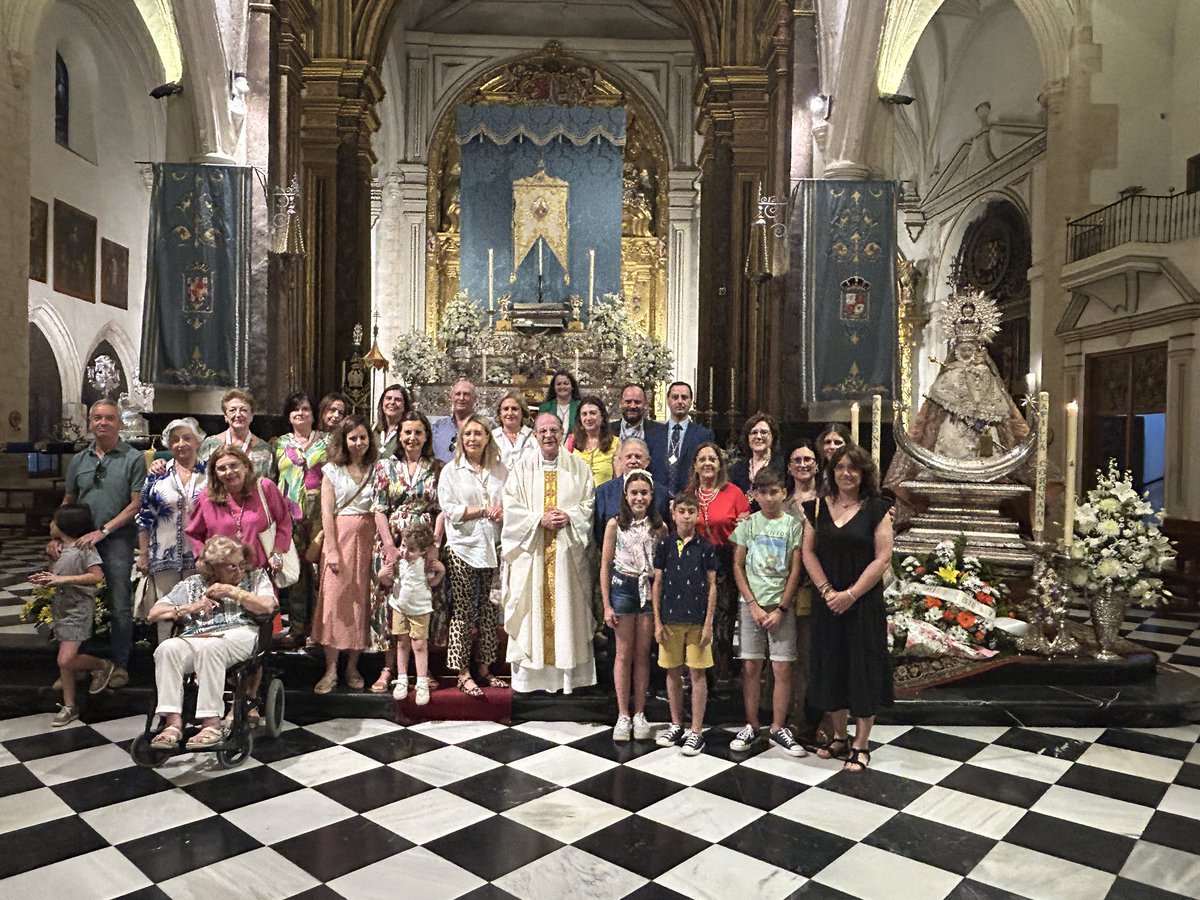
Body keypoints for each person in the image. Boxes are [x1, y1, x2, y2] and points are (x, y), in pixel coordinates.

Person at [801, 445, 895, 772]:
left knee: (862, 667)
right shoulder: (815, 508)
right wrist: (828, 591)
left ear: (863, 473)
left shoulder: (877, 509)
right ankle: (839, 735)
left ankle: (861, 743)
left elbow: (883, 558)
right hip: (828, 601)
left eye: (853, 468)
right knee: (832, 666)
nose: (846, 473)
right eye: (840, 467)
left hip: (862, 602)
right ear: (832, 471)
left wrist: (851, 594)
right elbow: (808, 553)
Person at [145, 536, 277, 750]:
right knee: (167, 649)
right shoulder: (192, 584)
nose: (240, 569)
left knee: (211, 647)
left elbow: (267, 606)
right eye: (232, 566)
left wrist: (232, 592)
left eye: (242, 563)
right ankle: (172, 722)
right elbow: (153, 614)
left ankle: (211, 723)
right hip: (197, 635)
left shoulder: (256, 577)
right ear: (213, 569)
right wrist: (190, 607)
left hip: (239, 632)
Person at [502, 413, 597, 694]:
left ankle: (569, 678)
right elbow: (511, 507)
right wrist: (537, 521)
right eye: (542, 431)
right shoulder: (521, 468)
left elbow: (588, 505)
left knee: (568, 611)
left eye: (553, 430)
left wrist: (569, 516)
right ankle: (531, 680)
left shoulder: (579, 468)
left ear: (562, 432)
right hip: (533, 556)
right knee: (532, 611)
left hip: (567, 558)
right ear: (534, 435)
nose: (548, 436)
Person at [56, 399, 147, 689]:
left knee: (119, 603)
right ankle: (76, 664)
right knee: (73, 600)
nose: (102, 423)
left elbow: (136, 505)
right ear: (90, 423)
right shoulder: (79, 460)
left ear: (119, 423)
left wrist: (104, 531)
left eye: (108, 418)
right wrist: (57, 536)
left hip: (116, 538)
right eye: (96, 418)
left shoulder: (132, 458)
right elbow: (68, 501)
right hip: (80, 539)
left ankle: (119, 665)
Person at [729, 468, 806, 756]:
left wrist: (782, 607)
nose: (769, 497)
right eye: (763, 492)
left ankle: (777, 726)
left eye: (775, 491)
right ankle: (751, 724)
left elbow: (796, 568)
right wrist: (751, 603)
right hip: (751, 604)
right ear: (755, 495)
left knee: (782, 667)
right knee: (751, 666)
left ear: (784, 493)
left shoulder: (792, 525)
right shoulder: (748, 524)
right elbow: (737, 565)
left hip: (780, 606)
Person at [371, 410, 443, 688]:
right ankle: (389, 669)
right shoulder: (385, 467)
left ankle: (422, 671)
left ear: (426, 437)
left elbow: (441, 510)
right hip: (393, 545)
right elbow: (379, 508)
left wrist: (434, 545)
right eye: (407, 433)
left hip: (424, 546)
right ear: (399, 437)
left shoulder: (437, 467)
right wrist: (389, 545)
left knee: (423, 602)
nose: (412, 438)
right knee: (392, 604)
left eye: (418, 433)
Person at [438, 414, 507, 697]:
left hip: (493, 546)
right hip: (463, 547)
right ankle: (461, 671)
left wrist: (502, 512)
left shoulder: (500, 470)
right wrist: (481, 511)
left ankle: (484, 668)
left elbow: (511, 501)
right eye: (468, 434)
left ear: (488, 437)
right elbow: (451, 510)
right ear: (461, 440)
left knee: (490, 609)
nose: (473, 439)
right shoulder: (451, 471)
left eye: (479, 433)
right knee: (463, 610)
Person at [312, 416, 377, 694]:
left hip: (369, 539)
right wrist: (332, 550)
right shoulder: (332, 471)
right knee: (334, 601)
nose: (359, 443)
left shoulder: (378, 469)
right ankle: (330, 669)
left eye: (363, 437)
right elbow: (327, 513)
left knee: (361, 601)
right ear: (344, 440)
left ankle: (352, 666)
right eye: (353, 438)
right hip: (340, 538)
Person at [600, 470, 665, 741]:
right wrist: (606, 604)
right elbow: (604, 565)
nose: (639, 497)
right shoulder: (615, 524)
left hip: (648, 590)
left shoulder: (659, 527)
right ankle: (622, 714)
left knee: (642, 653)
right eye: (634, 493)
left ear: (651, 496)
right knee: (623, 654)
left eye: (644, 493)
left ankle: (640, 712)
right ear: (625, 496)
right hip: (623, 588)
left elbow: (662, 567)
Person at [652, 493, 718, 756]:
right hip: (670, 619)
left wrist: (709, 623)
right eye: (682, 511)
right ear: (674, 514)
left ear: (698, 514)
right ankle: (677, 723)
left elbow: (713, 585)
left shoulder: (706, 546)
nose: (687, 515)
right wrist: (657, 621)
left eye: (692, 510)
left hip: (697, 620)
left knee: (697, 674)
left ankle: (697, 730)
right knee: (672, 672)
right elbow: (657, 583)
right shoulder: (665, 545)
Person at [31, 505, 108, 725]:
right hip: (61, 607)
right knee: (64, 663)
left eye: (54, 521)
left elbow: (96, 577)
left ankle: (103, 665)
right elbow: (58, 573)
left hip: (78, 608)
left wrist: (61, 580)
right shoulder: (58, 548)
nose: (50, 525)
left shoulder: (85, 548)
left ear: (65, 525)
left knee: (65, 658)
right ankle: (69, 705)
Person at [684, 441, 750, 681]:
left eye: (712, 459)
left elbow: (746, 528)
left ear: (720, 464)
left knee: (723, 620)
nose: (707, 463)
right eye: (702, 459)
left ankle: (722, 674)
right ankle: (700, 677)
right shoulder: (689, 493)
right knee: (698, 620)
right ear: (695, 465)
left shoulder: (734, 492)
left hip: (725, 561)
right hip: (695, 562)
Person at [137, 418, 207, 639]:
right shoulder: (158, 474)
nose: (181, 444)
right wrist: (144, 554)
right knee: (165, 614)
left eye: (187, 438)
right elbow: (144, 516)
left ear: (197, 441)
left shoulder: (211, 474)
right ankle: (166, 666)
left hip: (200, 555)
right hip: (163, 554)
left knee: (199, 612)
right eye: (175, 440)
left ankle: (196, 669)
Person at [273, 390, 330, 646]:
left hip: (321, 515)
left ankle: (319, 630)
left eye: (306, 409)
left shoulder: (328, 441)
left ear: (313, 414)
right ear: (289, 415)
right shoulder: (278, 443)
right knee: (296, 573)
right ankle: (297, 628)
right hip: (289, 515)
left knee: (320, 573)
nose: (301, 413)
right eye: (295, 409)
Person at [185, 446, 295, 577]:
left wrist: (277, 553)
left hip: (261, 573)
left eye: (233, 465)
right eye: (221, 469)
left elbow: (284, 522)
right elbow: (194, 533)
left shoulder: (265, 488)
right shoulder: (206, 498)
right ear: (215, 473)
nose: (229, 472)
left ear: (246, 466)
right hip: (221, 575)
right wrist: (201, 558)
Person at [386, 523, 444, 704]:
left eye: (411, 549)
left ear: (423, 551)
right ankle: (402, 679)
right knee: (402, 643)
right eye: (403, 546)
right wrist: (382, 574)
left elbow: (432, 583)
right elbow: (388, 579)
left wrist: (441, 572)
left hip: (420, 609)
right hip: (400, 607)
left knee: (419, 644)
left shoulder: (425, 564)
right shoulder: (398, 562)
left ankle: (421, 682)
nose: (405, 552)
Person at [592, 438, 671, 547]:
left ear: (647, 461)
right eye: (628, 457)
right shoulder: (603, 492)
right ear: (620, 461)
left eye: (638, 457)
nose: (633, 461)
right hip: (615, 560)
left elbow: (665, 531)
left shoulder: (662, 493)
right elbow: (598, 531)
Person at [647, 381, 715, 496]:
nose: (679, 401)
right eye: (675, 397)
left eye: (684, 397)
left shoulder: (703, 434)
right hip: (657, 498)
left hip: (689, 499)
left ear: (690, 401)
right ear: (668, 400)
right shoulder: (652, 434)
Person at [197, 389, 276, 479]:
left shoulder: (264, 450)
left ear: (251, 416)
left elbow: (269, 485)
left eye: (243, 410)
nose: (238, 415)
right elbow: (200, 479)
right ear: (225, 416)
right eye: (232, 410)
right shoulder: (210, 445)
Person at [729, 413, 785, 511]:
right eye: (754, 432)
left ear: (773, 437)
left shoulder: (782, 466)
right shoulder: (736, 469)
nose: (758, 437)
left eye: (764, 432)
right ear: (748, 438)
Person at [567, 395, 621, 487]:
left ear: (602, 416)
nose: (588, 418)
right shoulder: (571, 441)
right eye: (584, 414)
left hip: (603, 498)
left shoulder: (615, 443)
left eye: (592, 413)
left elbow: (618, 481)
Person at [432, 380, 479, 463]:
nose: (461, 398)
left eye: (466, 394)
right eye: (457, 394)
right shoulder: (438, 427)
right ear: (451, 398)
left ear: (474, 399)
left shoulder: (484, 426)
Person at [492, 390, 538, 471]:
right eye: (506, 409)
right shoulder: (491, 437)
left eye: (514, 409)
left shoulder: (534, 437)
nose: (510, 413)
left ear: (523, 412)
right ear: (500, 413)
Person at [537, 370, 581, 436]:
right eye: (558, 384)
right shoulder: (545, 408)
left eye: (566, 383)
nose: (562, 387)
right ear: (554, 387)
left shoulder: (580, 406)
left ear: (572, 386)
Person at [783, 440, 820, 518]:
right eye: (797, 460)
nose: (802, 465)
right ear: (789, 467)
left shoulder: (828, 497)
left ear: (817, 465)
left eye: (807, 459)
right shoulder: (781, 500)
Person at [375, 383, 412, 460]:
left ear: (405, 406)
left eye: (398, 400)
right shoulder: (372, 430)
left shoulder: (409, 432)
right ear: (382, 403)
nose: (392, 402)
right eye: (388, 398)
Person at [815, 423, 852, 494]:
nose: (832, 446)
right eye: (828, 442)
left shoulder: (854, 472)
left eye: (837, 442)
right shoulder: (816, 472)